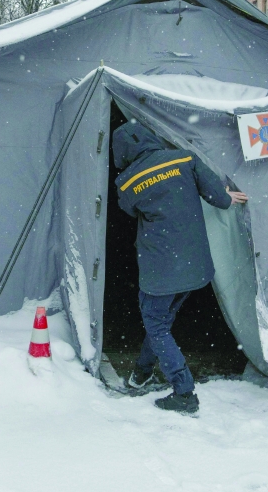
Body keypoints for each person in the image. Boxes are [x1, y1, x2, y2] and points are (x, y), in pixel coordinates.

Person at [112, 120, 248, 415]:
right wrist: (227, 197)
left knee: (157, 325)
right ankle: (142, 373)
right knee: (160, 323)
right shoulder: (185, 158)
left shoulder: (126, 182)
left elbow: (128, 210)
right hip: (195, 266)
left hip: (160, 270)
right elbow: (218, 197)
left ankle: (184, 392)